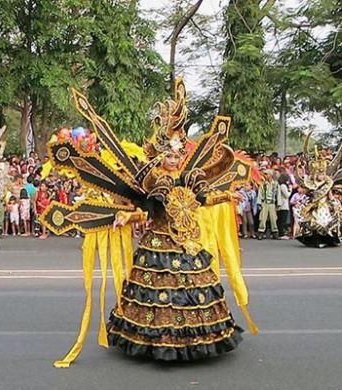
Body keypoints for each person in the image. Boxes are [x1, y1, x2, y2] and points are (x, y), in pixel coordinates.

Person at [45, 78, 257, 368]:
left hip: (186, 244)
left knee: (195, 289)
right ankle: (156, 342)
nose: (174, 158)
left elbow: (200, 199)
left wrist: (225, 197)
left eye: (177, 154)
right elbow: (146, 210)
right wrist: (126, 216)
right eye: (169, 154)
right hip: (157, 245)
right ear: (159, 155)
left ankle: (193, 341)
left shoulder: (186, 178)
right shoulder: (153, 179)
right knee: (156, 297)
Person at [257, 170, 279, 239]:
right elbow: (260, 193)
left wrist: (278, 204)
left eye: (267, 174)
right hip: (265, 203)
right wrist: (259, 203)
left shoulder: (275, 184)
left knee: (273, 218)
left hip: (272, 203)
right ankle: (261, 232)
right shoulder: (263, 184)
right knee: (263, 218)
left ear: (270, 175)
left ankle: (275, 232)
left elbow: (278, 194)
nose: (265, 176)